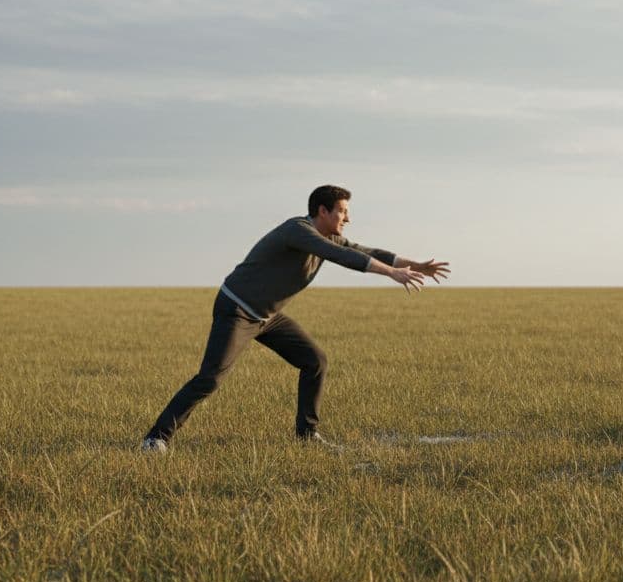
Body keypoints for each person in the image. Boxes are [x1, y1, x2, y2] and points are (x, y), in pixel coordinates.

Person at [140, 185, 450, 452]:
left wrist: (415, 265)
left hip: (267, 315)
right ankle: (156, 438)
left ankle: (306, 434)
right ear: (323, 211)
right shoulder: (299, 231)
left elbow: (366, 250)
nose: (348, 218)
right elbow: (346, 257)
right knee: (209, 379)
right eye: (342, 211)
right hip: (237, 309)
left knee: (314, 361)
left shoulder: (329, 238)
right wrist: (392, 274)